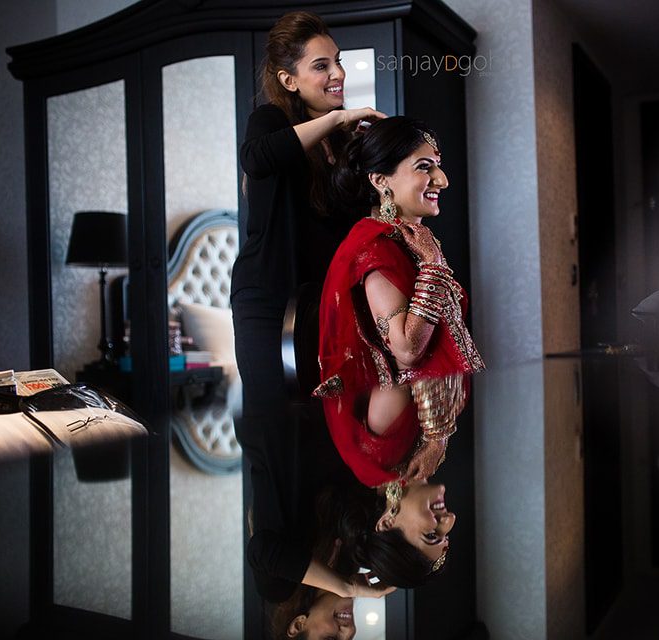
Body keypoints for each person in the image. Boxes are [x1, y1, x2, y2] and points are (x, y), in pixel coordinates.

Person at [231, 9, 388, 615]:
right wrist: (346, 588)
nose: (339, 73)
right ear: (288, 78)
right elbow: (259, 157)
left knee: (321, 422)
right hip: (269, 307)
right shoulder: (272, 123)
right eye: (322, 65)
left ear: (295, 633)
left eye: (338, 61)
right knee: (281, 420)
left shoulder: (341, 147)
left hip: (320, 312)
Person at [311, 116, 485, 586]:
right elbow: (412, 353)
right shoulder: (379, 245)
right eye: (425, 167)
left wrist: (430, 263)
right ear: (381, 181)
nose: (447, 522)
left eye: (432, 536)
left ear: (387, 522)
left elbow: (407, 354)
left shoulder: (384, 454)